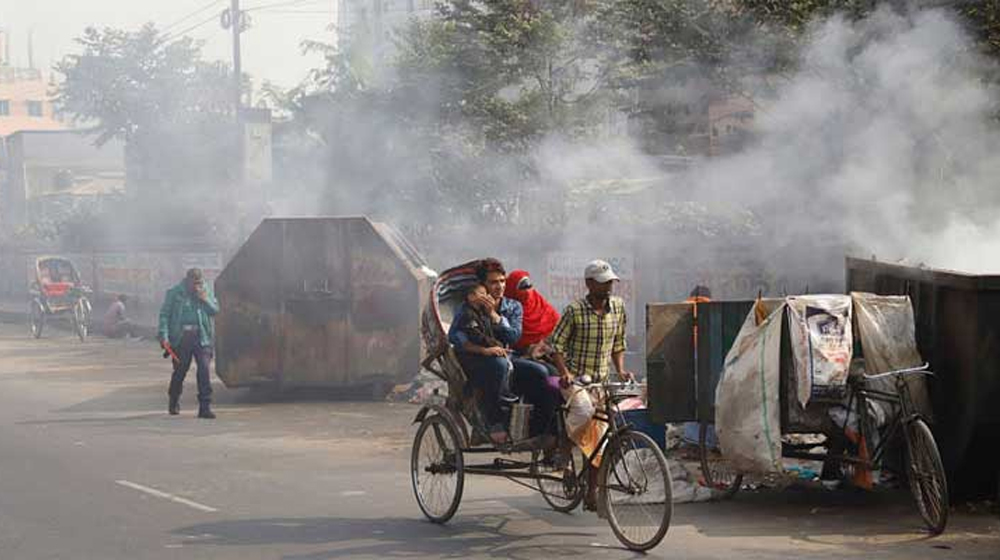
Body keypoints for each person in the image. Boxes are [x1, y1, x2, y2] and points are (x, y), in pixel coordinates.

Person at [549, 259, 634, 509]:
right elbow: (557, 346)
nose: (608, 287)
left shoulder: (618, 307)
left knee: (602, 441)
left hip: (601, 380)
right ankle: (563, 449)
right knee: (584, 411)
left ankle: (592, 492)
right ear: (588, 284)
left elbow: (619, 343)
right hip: (574, 378)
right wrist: (563, 372)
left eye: (610, 282)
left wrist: (620, 370)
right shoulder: (574, 310)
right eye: (602, 282)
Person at [448, 259, 523, 443]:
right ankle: (495, 419)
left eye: (502, 281)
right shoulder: (469, 308)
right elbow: (455, 335)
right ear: (483, 285)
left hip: (506, 356)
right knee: (498, 366)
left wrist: (494, 315)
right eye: (493, 282)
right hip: (477, 358)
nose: (499, 286)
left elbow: (513, 337)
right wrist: (484, 350)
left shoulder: (513, 307)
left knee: (542, 372)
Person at [158, 268, 219, 419]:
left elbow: (215, 310)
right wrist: (164, 336)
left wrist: (205, 299)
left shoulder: (205, 291)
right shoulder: (174, 293)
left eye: (199, 283)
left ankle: (205, 406)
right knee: (180, 370)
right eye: (194, 283)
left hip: (202, 336)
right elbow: (164, 315)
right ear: (187, 281)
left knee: (204, 369)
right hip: (181, 337)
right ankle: (174, 399)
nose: (197, 286)